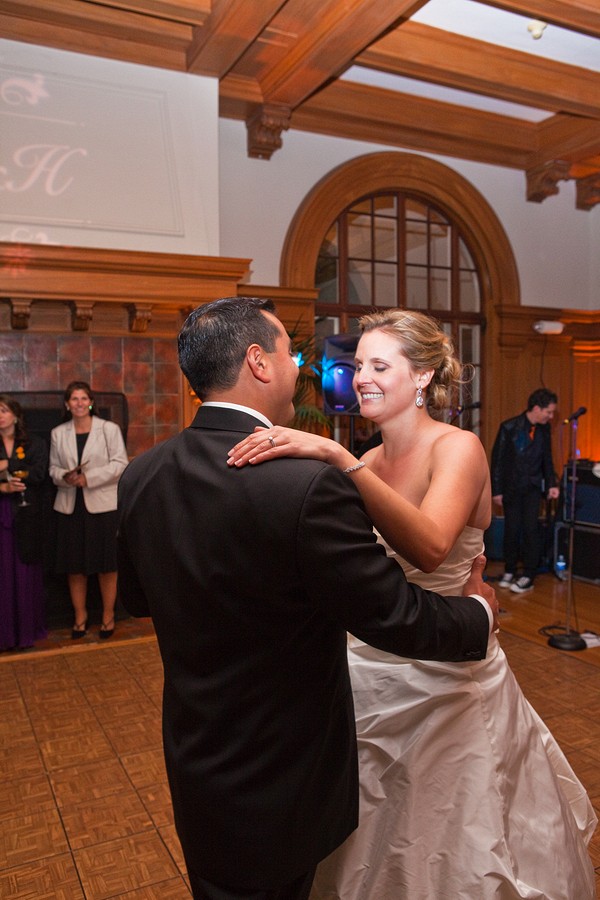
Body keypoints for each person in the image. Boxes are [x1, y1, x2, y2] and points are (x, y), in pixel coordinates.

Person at [116, 296, 498, 900]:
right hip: (286, 762)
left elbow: (141, 601)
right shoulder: (308, 481)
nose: (306, 367)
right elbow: (389, 610)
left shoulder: (141, 474)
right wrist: (479, 613)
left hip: (199, 754)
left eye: (378, 365)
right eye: (290, 354)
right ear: (258, 362)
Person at [228, 310, 597, 900]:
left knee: (451, 837)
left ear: (423, 376)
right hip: (363, 672)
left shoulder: (456, 448)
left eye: (380, 366)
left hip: (448, 674)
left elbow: (429, 547)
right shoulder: (368, 461)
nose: (362, 379)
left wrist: (337, 459)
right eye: (358, 366)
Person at [49, 381, 128, 639]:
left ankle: (108, 616)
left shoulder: (108, 429)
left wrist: (89, 478)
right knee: (75, 567)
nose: (79, 403)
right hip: (70, 507)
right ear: (67, 404)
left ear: (91, 402)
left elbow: (120, 464)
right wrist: (66, 476)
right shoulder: (58, 433)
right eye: (74, 399)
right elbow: (53, 469)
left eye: (84, 398)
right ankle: (80, 617)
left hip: (103, 508)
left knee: (107, 565)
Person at [491, 388, 559, 594]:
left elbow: (547, 459)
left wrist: (552, 483)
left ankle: (529, 573)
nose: (551, 416)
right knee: (511, 530)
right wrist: (497, 491)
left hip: (532, 489)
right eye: (548, 412)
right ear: (536, 408)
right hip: (512, 488)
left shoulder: (544, 430)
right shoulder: (509, 427)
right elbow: (498, 462)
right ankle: (510, 569)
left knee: (531, 530)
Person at [0, 394, 48, 651]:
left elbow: (39, 473)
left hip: (27, 516)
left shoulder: (33, 443)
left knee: (24, 572)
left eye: (4, 410)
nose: (0, 416)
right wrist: (3, 487)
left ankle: (26, 631)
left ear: (16, 416)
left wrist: (6, 464)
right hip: (2, 513)